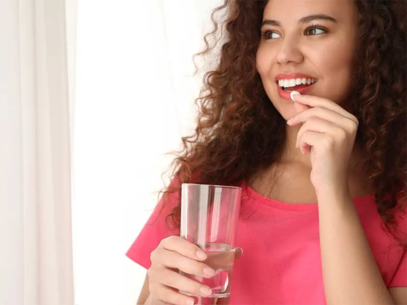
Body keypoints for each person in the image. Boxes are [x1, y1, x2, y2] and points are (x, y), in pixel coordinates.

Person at [126, 0, 407, 304]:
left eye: (314, 30)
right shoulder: (208, 173)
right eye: (271, 34)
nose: (285, 55)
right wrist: (159, 296)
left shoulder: (399, 197)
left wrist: (331, 189)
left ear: (371, 45)